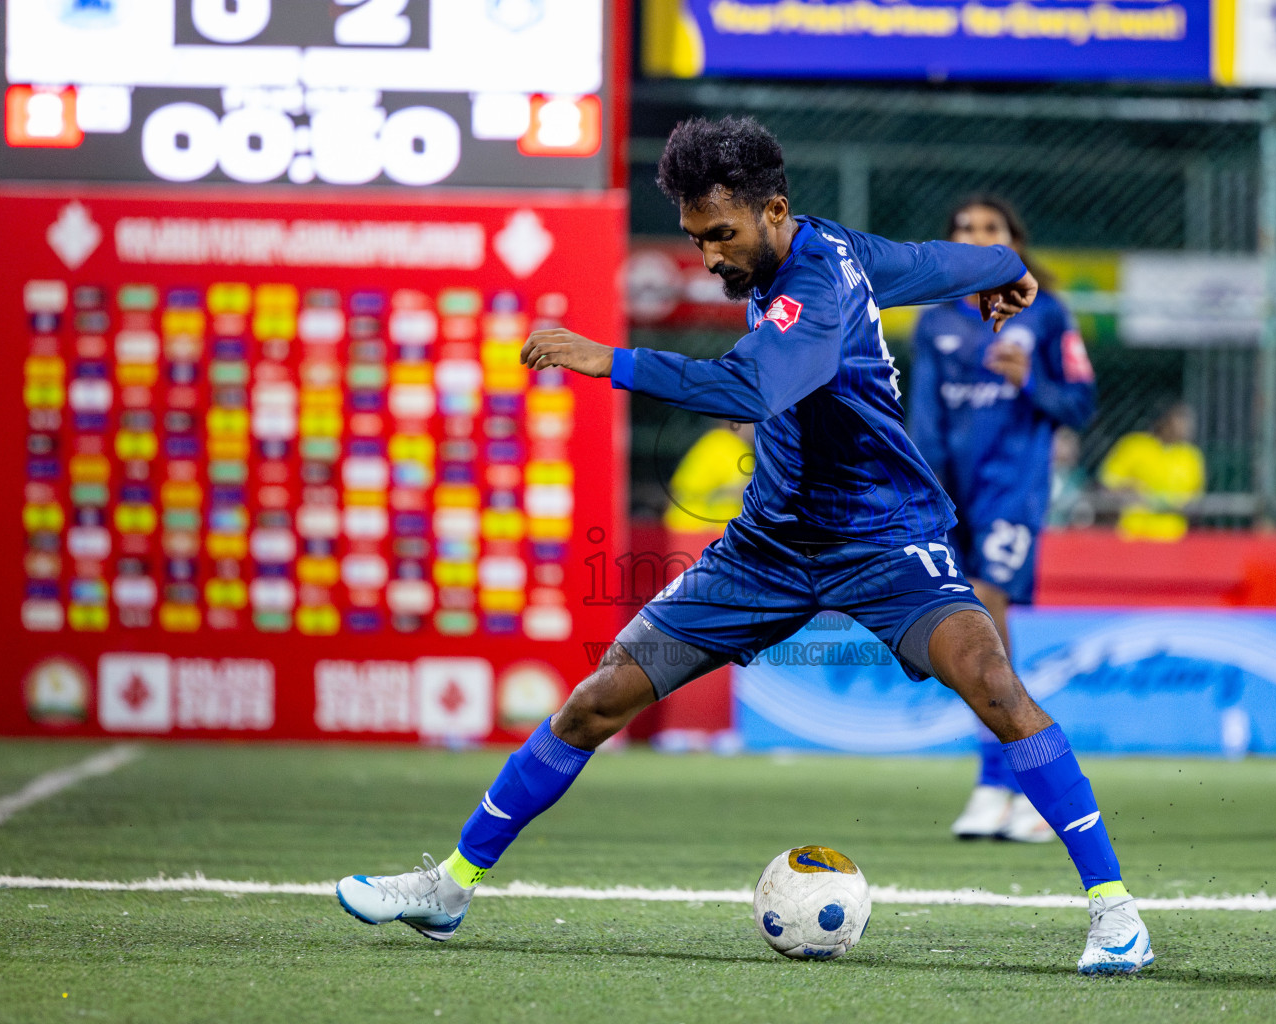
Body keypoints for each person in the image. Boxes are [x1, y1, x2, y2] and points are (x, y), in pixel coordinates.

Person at [335, 117, 1153, 975]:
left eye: (721, 236)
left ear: (773, 210)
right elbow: (936, 261)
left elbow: (753, 386)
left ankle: (1115, 912)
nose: (710, 258)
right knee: (597, 699)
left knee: (992, 681)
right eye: (695, 241)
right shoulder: (837, 245)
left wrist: (604, 359)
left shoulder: (818, 285)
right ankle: (451, 887)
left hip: (884, 535)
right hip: (767, 547)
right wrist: (1007, 269)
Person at [909, 195, 1096, 844]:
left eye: (990, 230)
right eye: (964, 230)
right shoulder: (934, 324)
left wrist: (1029, 384)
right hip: (949, 493)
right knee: (966, 622)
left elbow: (1079, 402)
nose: (976, 238)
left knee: (986, 609)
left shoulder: (1045, 314)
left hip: (1012, 488)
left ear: (1013, 241)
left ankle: (1000, 780)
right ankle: (1011, 785)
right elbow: (925, 421)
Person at [1098, 400, 1204, 541]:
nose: (1188, 425)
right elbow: (1105, 486)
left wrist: (1171, 504)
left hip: (1173, 540)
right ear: (1164, 419)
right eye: (1180, 417)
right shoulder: (1134, 446)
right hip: (1132, 537)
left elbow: (1196, 501)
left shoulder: (1191, 456)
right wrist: (1129, 491)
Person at [663, 421, 754, 533]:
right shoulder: (735, 449)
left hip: (680, 525)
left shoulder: (709, 442)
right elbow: (746, 492)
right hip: (704, 530)